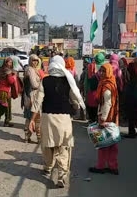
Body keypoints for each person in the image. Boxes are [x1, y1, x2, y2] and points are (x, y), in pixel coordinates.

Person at [29, 55, 85, 188]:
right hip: (64, 118)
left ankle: (48, 167)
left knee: (48, 144)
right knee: (63, 146)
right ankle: (62, 175)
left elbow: (38, 101)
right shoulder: (68, 80)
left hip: (48, 117)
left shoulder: (45, 80)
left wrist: (32, 119)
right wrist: (76, 107)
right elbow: (75, 99)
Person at [89, 63, 119, 175]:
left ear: (108, 72)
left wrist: (102, 119)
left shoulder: (106, 86)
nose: (101, 73)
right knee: (112, 143)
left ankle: (100, 167)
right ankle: (113, 167)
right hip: (112, 118)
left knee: (102, 143)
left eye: (103, 71)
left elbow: (107, 103)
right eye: (100, 71)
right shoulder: (111, 82)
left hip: (107, 118)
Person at [22, 54, 44, 143]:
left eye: (36, 61)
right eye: (33, 60)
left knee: (31, 117)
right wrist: (42, 85)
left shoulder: (34, 70)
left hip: (32, 95)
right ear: (30, 61)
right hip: (32, 96)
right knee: (35, 117)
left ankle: (30, 136)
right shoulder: (30, 70)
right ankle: (34, 137)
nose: (35, 62)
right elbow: (34, 84)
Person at [0, 57, 16, 127]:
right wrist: (14, 76)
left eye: (11, 62)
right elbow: (10, 81)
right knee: (7, 107)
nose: (10, 64)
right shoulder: (8, 71)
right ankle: (6, 122)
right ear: (5, 63)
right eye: (9, 62)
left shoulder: (1, 69)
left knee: (0, 106)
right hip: (5, 92)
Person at [85, 53, 105, 122]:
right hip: (102, 93)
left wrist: (85, 92)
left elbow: (86, 82)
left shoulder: (90, 67)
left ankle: (92, 123)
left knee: (92, 110)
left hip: (91, 92)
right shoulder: (105, 67)